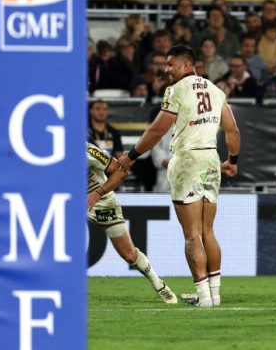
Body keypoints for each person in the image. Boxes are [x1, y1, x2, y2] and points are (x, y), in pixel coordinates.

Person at [119, 45, 241, 308]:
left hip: (187, 160)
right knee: (208, 231)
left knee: (191, 235)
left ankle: (204, 296)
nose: (166, 70)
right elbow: (232, 131)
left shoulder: (175, 90)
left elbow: (157, 130)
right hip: (210, 157)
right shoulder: (215, 90)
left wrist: (131, 155)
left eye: (171, 64)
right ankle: (215, 294)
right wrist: (232, 160)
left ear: (187, 65)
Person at [86, 142, 178, 304]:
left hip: (101, 203)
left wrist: (98, 193)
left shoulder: (87, 150)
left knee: (128, 254)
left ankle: (158, 283)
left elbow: (120, 171)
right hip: (66, 203)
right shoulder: (42, 155)